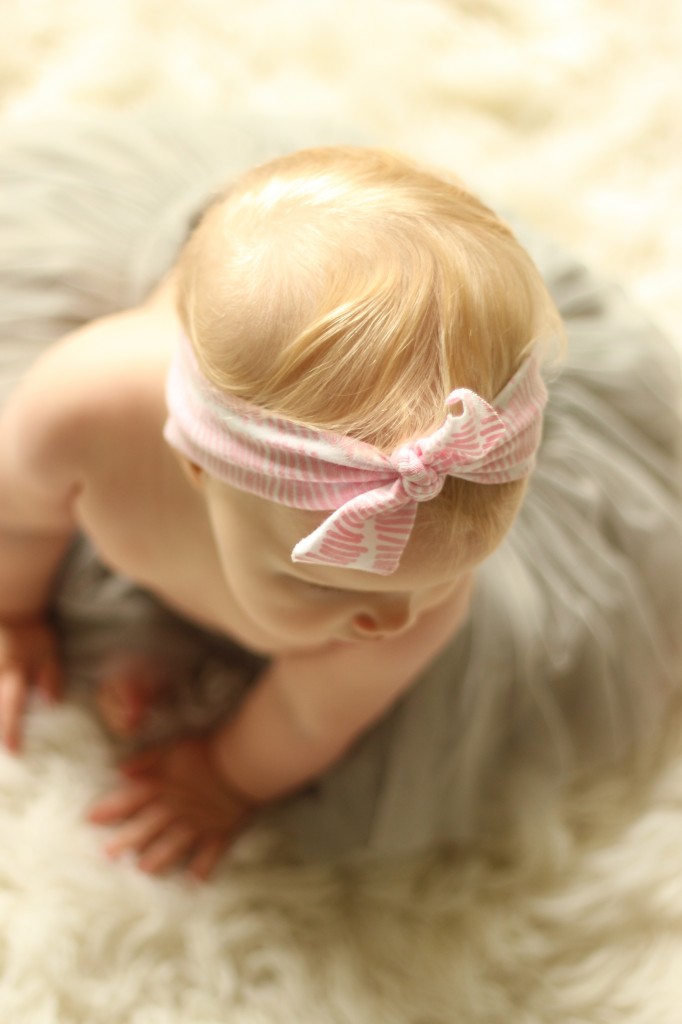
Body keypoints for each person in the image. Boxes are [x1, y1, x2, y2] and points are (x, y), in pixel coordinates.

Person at [0, 116, 681, 879]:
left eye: (449, 571)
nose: (393, 620)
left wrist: (226, 776)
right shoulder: (81, 412)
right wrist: (16, 611)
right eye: (319, 578)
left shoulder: (415, 605)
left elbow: (301, 713)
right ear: (195, 469)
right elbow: (16, 516)